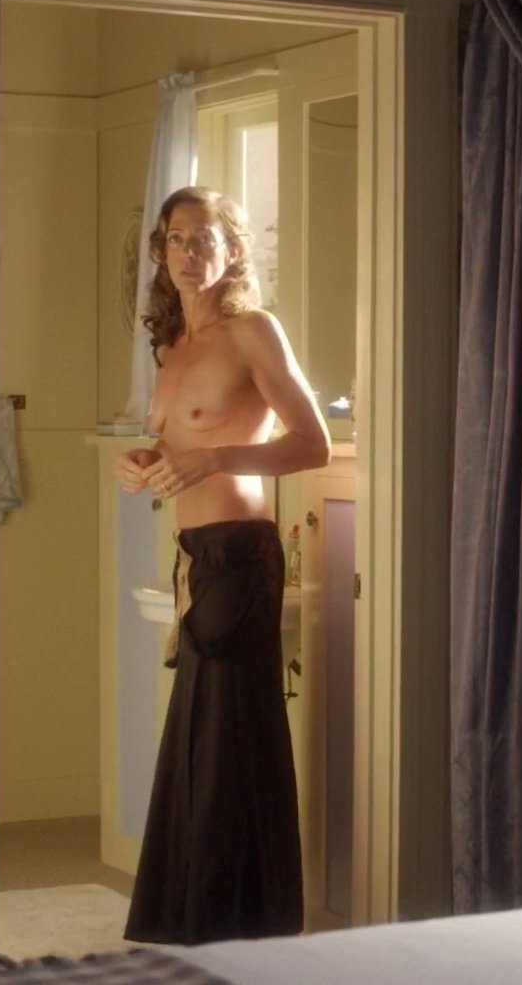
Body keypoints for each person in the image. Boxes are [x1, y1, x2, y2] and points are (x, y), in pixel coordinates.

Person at [114, 186, 331, 944]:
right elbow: (180, 445)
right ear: (161, 251)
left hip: (241, 553)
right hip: (195, 557)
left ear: (233, 249)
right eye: (176, 238)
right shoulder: (171, 347)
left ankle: (243, 929)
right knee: (197, 740)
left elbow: (312, 445)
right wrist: (144, 460)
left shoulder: (253, 332)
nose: (188, 252)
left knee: (229, 742)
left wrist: (215, 458)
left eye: (204, 238)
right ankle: (195, 924)